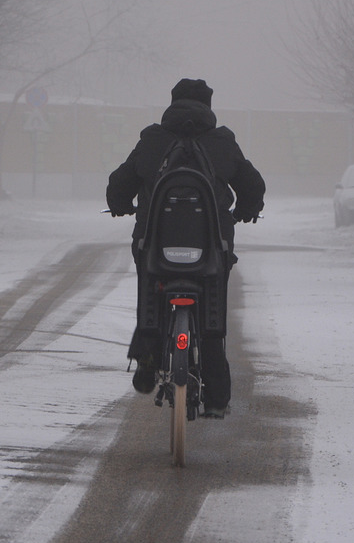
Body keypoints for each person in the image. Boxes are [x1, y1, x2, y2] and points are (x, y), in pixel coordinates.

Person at [106, 78, 265, 418]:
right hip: (212, 249)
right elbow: (253, 184)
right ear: (209, 107)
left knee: (150, 294)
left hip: (154, 248)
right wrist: (247, 211)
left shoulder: (152, 140)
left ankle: (147, 363)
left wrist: (120, 204)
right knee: (212, 313)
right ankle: (218, 397)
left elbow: (119, 183)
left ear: (172, 103)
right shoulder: (222, 142)